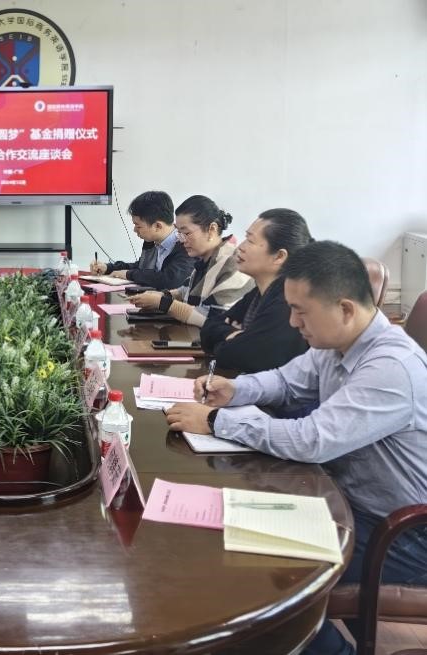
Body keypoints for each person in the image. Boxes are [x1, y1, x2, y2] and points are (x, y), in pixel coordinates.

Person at [165, 241, 427, 655]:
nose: (292, 322)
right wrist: (234, 390)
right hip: (345, 502)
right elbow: (286, 381)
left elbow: (311, 440)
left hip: (399, 534)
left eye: (300, 311)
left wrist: (215, 420)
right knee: (229, 537)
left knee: (259, 581)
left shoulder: (390, 367)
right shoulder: (339, 343)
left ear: (344, 309)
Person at [199, 209, 311, 372]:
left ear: (279, 256)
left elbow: (236, 356)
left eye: (250, 241)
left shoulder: (287, 302)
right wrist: (232, 335)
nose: (241, 247)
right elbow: (209, 328)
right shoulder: (259, 292)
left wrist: (232, 339)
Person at [129, 195, 253, 326]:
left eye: (186, 233)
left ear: (212, 229)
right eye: (179, 234)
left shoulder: (233, 265)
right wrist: (161, 295)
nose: (182, 240)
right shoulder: (206, 260)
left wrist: (162, 302)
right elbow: (185, 291)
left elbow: (215, 319)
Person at [89, 190, 196, 289]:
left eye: (138, 226)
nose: (135, 230)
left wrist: (128, 274)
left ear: (157, 226)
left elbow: (170, 280)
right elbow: (141, 267)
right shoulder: (152, 242)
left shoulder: (186, 244)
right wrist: (108, 268)